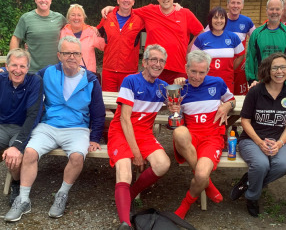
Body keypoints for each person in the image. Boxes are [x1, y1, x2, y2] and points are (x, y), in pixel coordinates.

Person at [4, 36, 105, 222]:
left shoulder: (91, 80)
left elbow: (98, 113)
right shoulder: (47, 73)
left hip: (77, 129)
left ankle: (61, 195)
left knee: (76, 157)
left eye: (75, 53)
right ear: (59, 55)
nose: (71, 57)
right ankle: (23, 199)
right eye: (66, 53)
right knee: (30, 152)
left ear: (81, 55)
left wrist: (94, 138)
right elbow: (24, 77)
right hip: (48, 126)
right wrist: (4, 72)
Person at [107, 44, 170, 229]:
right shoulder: (130, 80)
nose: (157, 64)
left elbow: (175, 106)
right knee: (125, 170)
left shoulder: (164, 87)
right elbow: (125, 120)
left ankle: (130, 194)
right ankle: (125, 223)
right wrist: (136, 153)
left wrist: (175, 107)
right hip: (121, 130)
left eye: (161, 61)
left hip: (144, 133)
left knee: (163, 164)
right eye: (154, 59)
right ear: (144, 62)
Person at [229, 52, 286, 217]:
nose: (279, 71)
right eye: (275, 68)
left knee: (283, 165)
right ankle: (252, 197)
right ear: (268, 70)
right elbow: (244, 121)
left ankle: (248, 182)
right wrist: (260, 142)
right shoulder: (255, 92)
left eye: (283, 67)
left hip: (279, 141)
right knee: (261, 165)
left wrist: (280, 144)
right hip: (252, 140)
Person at [172, 50, 236, 219]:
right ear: (186, 68)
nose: (197, 77)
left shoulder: (217, 82)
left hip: (211, 137)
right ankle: (209, 185)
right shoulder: (180, 87)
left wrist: (228, 106)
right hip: (190, 138)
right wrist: (174, 100)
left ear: (208, 70)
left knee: (201, 175)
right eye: (193, 71)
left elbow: (232, 99)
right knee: (179, 131)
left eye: (202, 72)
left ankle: (188, 200)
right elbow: (170, 111)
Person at [102, 0, 204, 85]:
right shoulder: (149, 11)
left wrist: (189, 50)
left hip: (178, 70)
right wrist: (113, 8)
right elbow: (127, 10)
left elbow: (201, 33)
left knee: (177, 100)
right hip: (153, 69)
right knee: (152, 100)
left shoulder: (185, 13)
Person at [0, 49, 43, 206]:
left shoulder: (35, 81)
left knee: (15, 157)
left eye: (22, 66)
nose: (18, 70)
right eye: (14, 65)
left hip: (22, 127)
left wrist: (17, 146)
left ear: (28, 68)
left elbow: (33, 116)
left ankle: (16, 183)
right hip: (2, 126)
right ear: (6, 65)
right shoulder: (1, 79)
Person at [97, 0, 144, 91]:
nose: (126, 0)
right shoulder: (107, 17)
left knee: (127, 104)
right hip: (109, 70)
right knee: (108, 104)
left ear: (133, 2)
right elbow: (95, 33)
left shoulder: (140, 20)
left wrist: (175, 6)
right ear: (118, 1)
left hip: (129, 71)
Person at [245, 0, 286, 86]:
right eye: (271, 9)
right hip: (261, 82)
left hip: (283, 82)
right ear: (266, 11)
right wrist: (251, 79)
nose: (274, 12)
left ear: (282, 11)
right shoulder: (256, 33)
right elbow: (250, 58)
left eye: (277, 9)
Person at [10, 0, 66, 72]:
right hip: (32, 71)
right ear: (35, 0)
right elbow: (15, 39)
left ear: (50, 0)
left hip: (55, 71)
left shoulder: (59, 18)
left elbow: (72, 32)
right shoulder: (26, 18)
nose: (43, 0)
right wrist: (14, 61)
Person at [192, 6, 245, 93]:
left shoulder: (233, 37)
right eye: (215, 18)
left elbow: (241, 55)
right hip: (206, 81)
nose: (219, 21)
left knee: (227, 105)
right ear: (210, 20)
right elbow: (192, 58)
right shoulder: (202, 37)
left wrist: (231, 69)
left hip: (227, 81)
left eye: (222, 18)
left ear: (225, 20)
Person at [225, 0, 256, 96]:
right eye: (233, 3)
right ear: (227, 4)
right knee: (224, 95)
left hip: (240, 67)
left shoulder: (247, 21)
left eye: (238, 3)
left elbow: (256, 40)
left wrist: (248, 60)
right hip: (223, 66)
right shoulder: (219, 19)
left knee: (240, 97)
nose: (235, 6)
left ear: (242, 5)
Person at [60, 4, 105, 73]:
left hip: (88, 74)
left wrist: (103, 30)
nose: (76, 18)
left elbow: (105, 46)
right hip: (68, 74)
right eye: (73, 15)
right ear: (68, 17)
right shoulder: (62, 32)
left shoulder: (91, 32)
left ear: (83, 17)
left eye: (79, 15)